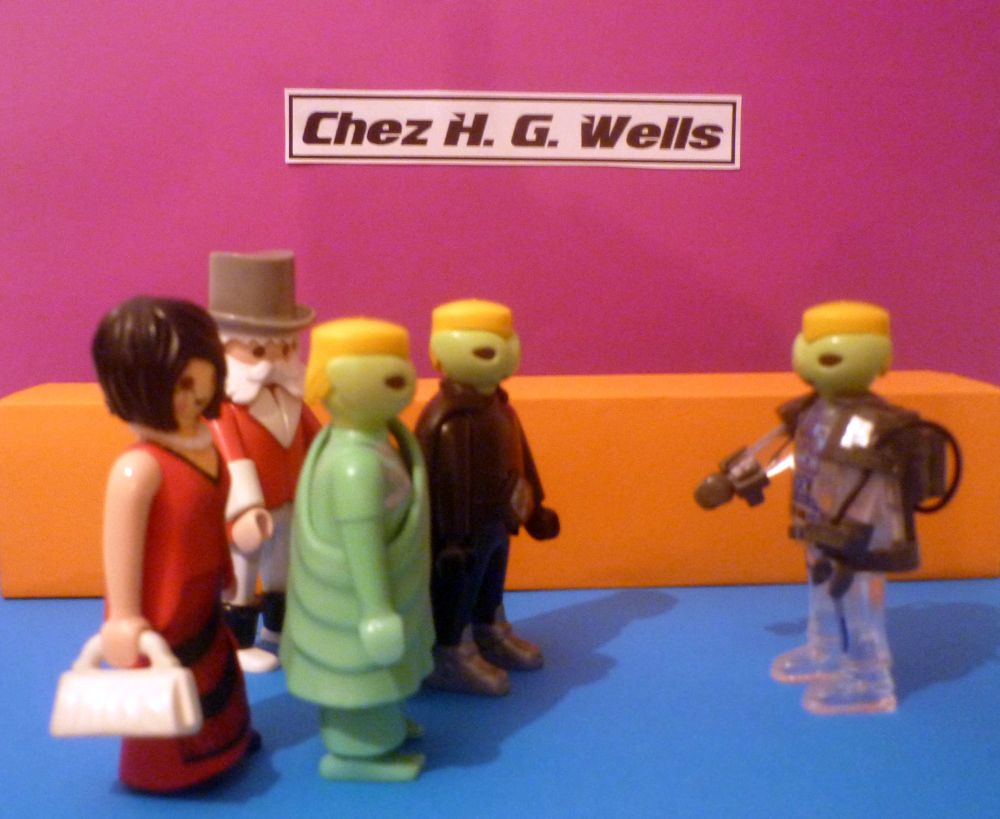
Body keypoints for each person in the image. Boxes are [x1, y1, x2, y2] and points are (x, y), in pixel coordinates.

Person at [695, 301, 959, 714]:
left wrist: (855, 529)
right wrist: (738, 478)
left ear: (881, 358)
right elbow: (781, 451)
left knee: (859, 600)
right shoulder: (810, 411)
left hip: (858, 534)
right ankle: (826, 649)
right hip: (817, 522)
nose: (825, 355)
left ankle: (869, 676)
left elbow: (873, 480)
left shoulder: (876, 425)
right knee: (822, 588)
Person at [93, 296, 258, 791]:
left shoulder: (205, 444)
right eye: (176, 386)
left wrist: (238, 531)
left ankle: (227, 744)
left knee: (216, 671)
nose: (191, 397)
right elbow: (120, 546)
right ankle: (168, 770)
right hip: (160, 611)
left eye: (197, 381)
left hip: (203, 594)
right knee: (167, 687)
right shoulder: (138, 468)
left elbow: (209, 511)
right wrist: (123, 617)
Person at [280, 318, 434, 781]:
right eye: (388, 373)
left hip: (385, 581)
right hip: (355, 600)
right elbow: (360, 542)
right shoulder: (354, 465)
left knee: (380, 677)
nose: (405, 379)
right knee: (360, 674)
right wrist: (375, 611)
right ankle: (357, 753)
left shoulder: (371, 442)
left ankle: (383, 722)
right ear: (338, 382)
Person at [416, 299, 559, 696]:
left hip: (498, 520)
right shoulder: (444, 419)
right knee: (456, 589)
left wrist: (536, 508)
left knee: (491, 579)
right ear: (439, 355)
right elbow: (432, 482)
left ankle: (490, 630)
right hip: (456, 538)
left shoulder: (500, 407)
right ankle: (449, 651)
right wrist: (448, 539)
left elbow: (522, 456)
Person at [207, 251, 320, 673]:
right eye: (258, 349)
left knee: (283, 570)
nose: (273, 360)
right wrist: (245, 508)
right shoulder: (224, 408)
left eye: (285, 347)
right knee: (242, 570)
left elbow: (318, 439)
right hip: (248, 511)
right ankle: (237, 643)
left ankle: (279, 630)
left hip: (291, 503)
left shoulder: (293, 399)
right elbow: (231, 456)